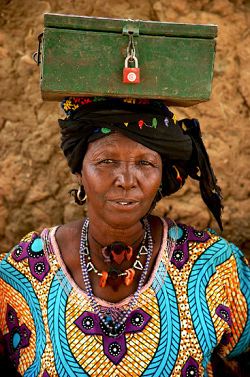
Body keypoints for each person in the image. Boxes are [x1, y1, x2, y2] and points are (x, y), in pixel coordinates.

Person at [0, 96, 249, 377]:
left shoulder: (212, 266)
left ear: (161, 174)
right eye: (106, 161)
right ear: (79, 170)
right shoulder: (23, 276)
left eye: (145, 163)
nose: (127, 179)